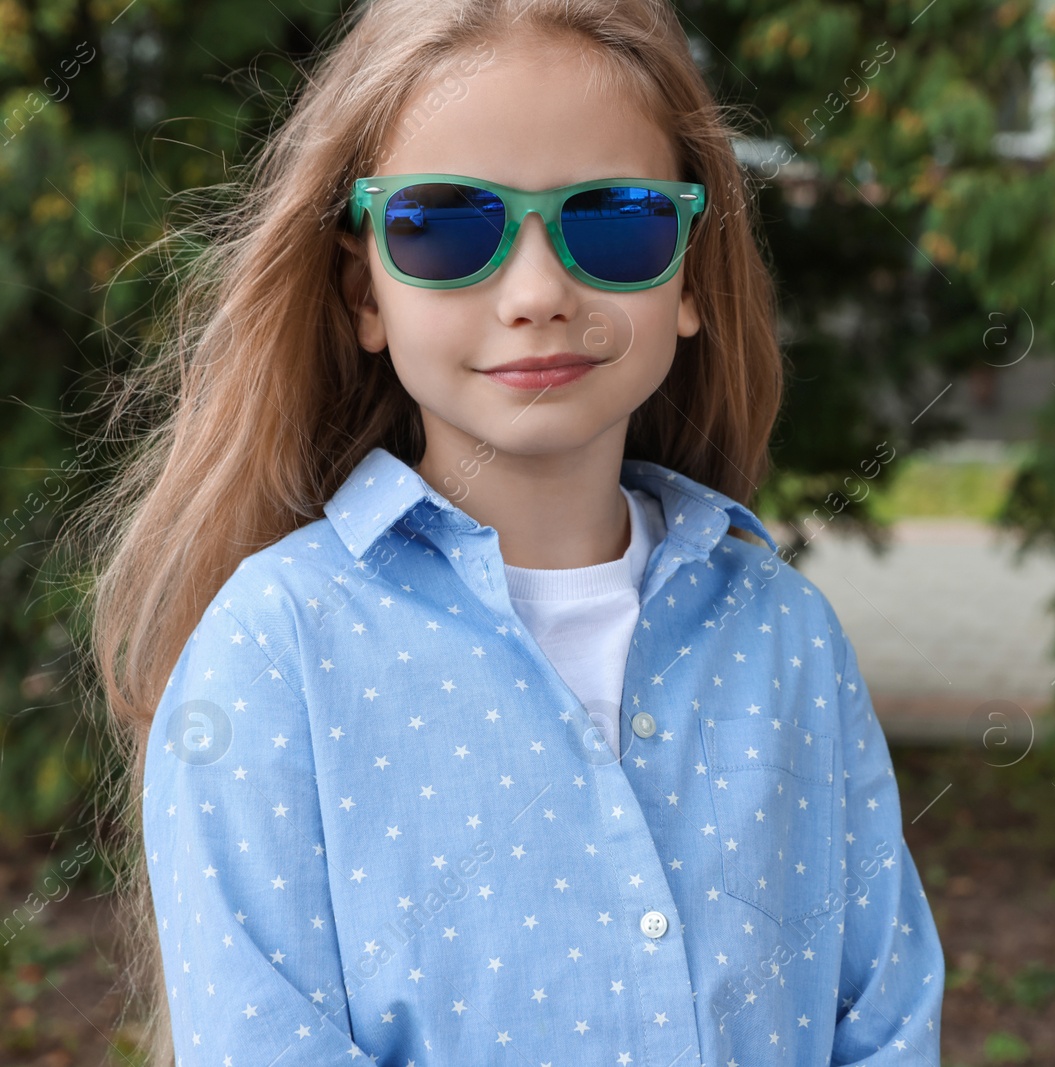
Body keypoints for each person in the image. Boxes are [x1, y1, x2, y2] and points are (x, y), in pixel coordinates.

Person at [88, 1, 943, 1064]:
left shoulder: (787, 636)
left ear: (686, 271)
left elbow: (884, 1017)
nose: (538, 292)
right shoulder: (274, 651)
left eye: (614, 220)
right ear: (365, 289)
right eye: (445, 225)